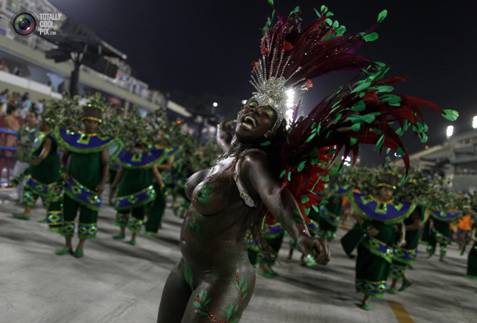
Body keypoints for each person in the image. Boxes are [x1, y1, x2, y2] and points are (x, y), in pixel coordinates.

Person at [156, 5, 453, 321]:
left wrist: (302, 234)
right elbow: (226, 136)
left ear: (270, 133)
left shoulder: (252, 161)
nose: (254, 113)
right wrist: (224, 134)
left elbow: (275, 194)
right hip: (184, 267)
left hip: (221, 278)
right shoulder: (227, 156)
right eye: (252, 108)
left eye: (265, 116)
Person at [55, 97, 113, 258]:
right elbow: (64, 158)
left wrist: (102, 183)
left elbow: (106, 164)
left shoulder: (101, 143)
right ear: (83, 121)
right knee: (68, 215)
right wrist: (64, 172)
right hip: (71, 184)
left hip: (92, 186)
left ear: (98, 124)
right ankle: (67, 245)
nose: (90, 125)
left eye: (94, 122)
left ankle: (80, 246)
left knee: (88, 218)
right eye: (88, 121)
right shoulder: (74, 139)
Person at [351, 174, 412, 310]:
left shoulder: (396, 207)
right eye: (385, 189)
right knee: (364, 268)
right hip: (367, 243)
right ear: (379, 189)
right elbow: (357, 215)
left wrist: (402, 238)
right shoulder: (368, 201)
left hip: (385, 246)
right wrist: (367, 227)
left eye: (390, 190)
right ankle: (366, 293)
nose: (388, 193)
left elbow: (401, 222)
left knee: (377, 271)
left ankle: (367, 299)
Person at [13, 115, 62, 228]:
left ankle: (50, 217)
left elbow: (44, 152)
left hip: (46, 169)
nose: (41, 124)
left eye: (43, 123)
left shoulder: (50, 137)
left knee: (46, 193)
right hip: (40, 168)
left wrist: (37, 160)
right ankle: (27, 212)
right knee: (31, 189)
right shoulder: (41, 135)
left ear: (48, 125)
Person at [12, 109, 38, 204]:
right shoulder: (23, 128)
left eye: (32, 116)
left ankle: (25, 200)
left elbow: (34, 143)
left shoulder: (38, 131)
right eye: (28, 116)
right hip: (20, 157)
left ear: (36, 118)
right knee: (16, 176)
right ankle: (20, 197)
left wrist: (23, 142)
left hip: (30, 159)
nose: (29, 118)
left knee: (26, 181)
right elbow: (18, 139)